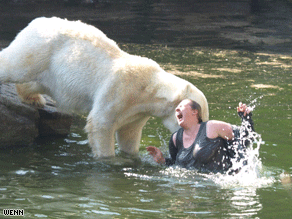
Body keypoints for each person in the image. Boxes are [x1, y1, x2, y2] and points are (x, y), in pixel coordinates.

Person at [146, 99, 255, 173]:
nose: (176, 109)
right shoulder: (175, 138)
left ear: (194, 111)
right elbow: (176, 166)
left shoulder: (212, 127)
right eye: (176, 108)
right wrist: (162, 161)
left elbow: (246, 139)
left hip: (221, 185)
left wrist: (246, 119)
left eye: (181, 106)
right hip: (193, 189)